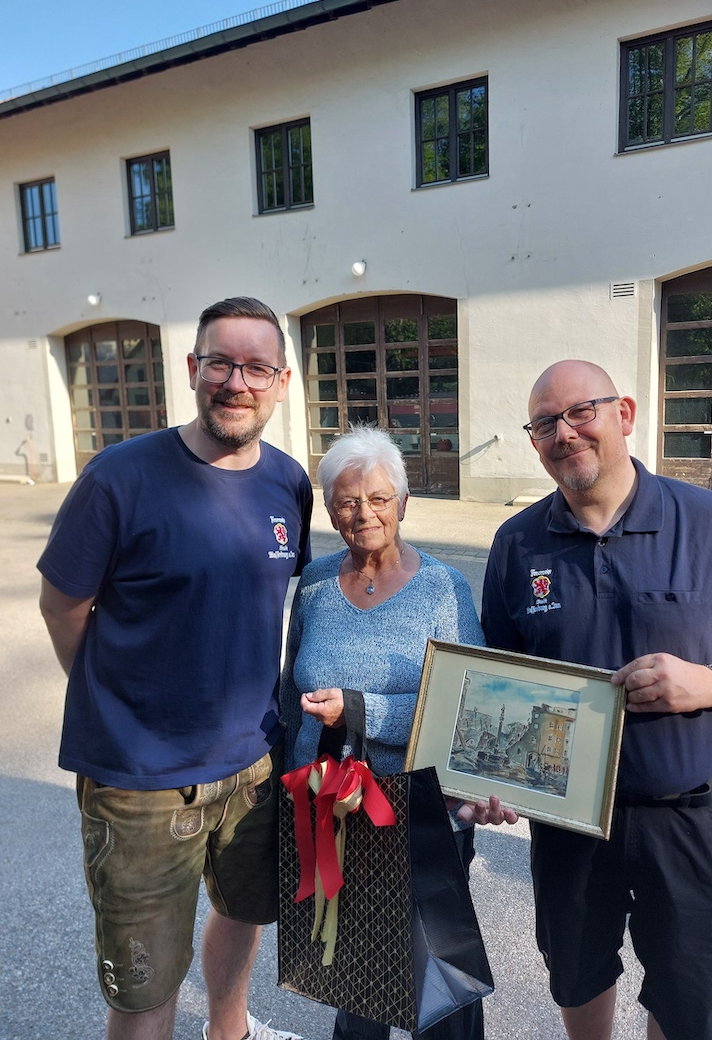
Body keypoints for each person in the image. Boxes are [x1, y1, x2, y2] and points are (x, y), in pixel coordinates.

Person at [481, 359, 712, 1040]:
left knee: (688, 993)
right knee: (575, 969)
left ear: (624, 414)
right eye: (544, 424)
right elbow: (498, 680)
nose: (564, 433)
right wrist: (493, 780)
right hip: (568, 819)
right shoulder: (517, 544)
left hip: (693, 814)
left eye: (581, 412)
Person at [38, 297, 313, 1040]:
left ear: (282, 382)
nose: (237, 382)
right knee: (146, 988)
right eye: (220, 362)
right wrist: (119, 705)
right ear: (192, 368)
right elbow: (62, 606)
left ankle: (229, 1030)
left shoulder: (289, 482)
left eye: (257, 368)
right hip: (140, 782)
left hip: (254, 765)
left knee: (243, 913)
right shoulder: (119, 478)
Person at [279, 424, 515, 1040]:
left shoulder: (442, 588)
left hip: (423, 813)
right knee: (355, 977)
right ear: (330, 510)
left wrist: (361, 711)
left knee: (439, 986)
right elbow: (290, 692)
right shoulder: (316, 585)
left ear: (404, 503)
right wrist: (287, 788)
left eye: (379, 498)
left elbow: (469, 708)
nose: (365, 514)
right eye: (348, 502)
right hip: (333, 811)